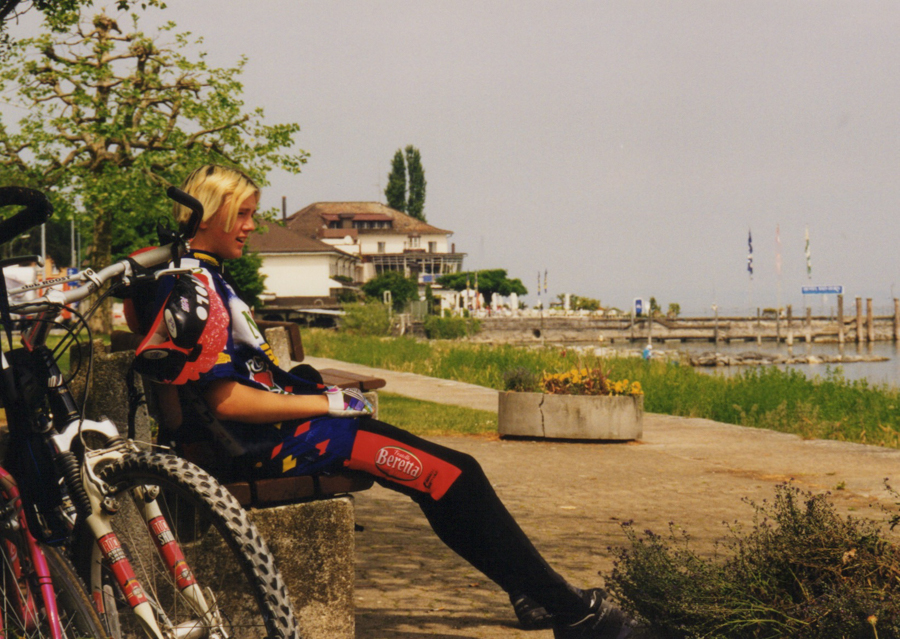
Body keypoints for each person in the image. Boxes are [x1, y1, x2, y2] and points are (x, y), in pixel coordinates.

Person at [145, 164, 645, 639]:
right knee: (453, 475)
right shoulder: (194, 287)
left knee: (450, 476)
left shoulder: (194, 274)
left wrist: (325, 398)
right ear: (209, 214)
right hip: (269, 446)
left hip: (277, 436)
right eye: (244, 215)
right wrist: (330, 405)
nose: (252, 227)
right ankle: (573, 615)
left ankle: (538, 594)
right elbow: (229, 402)